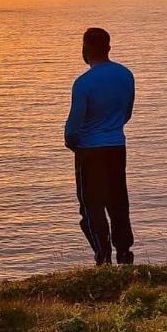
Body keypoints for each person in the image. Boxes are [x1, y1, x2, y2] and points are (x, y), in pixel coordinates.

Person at [64, 27, 135, 265]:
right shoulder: (126, 75)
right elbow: (127, 113)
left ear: (86, 48)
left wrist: (73, 143)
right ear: (108, 47)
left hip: (90, 150)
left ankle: (102, 255)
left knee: (91, 207)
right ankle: (124, 253)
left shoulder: (83, 83)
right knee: (118, 203)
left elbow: (74, 124)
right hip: (116, 147)